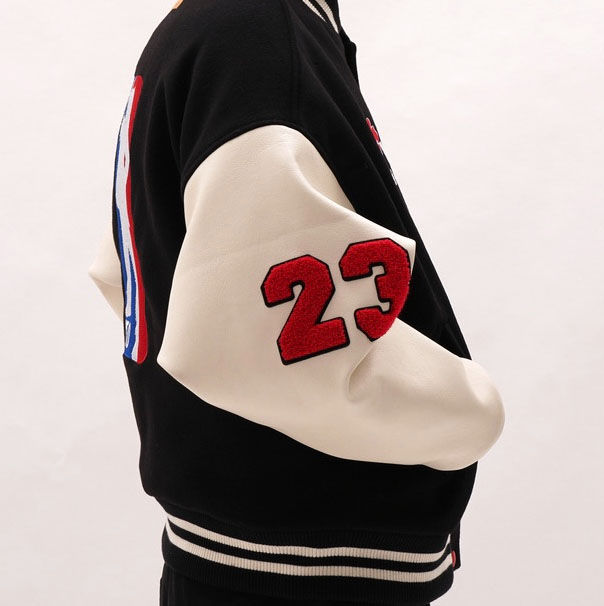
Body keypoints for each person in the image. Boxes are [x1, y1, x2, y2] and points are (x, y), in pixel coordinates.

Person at [87, 1, 505, 605]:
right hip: (302, 570)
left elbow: (132, 275)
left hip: (246, 554)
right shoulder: (255, 32)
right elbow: (262, 342)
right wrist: (473, 412)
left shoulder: (222, 25)